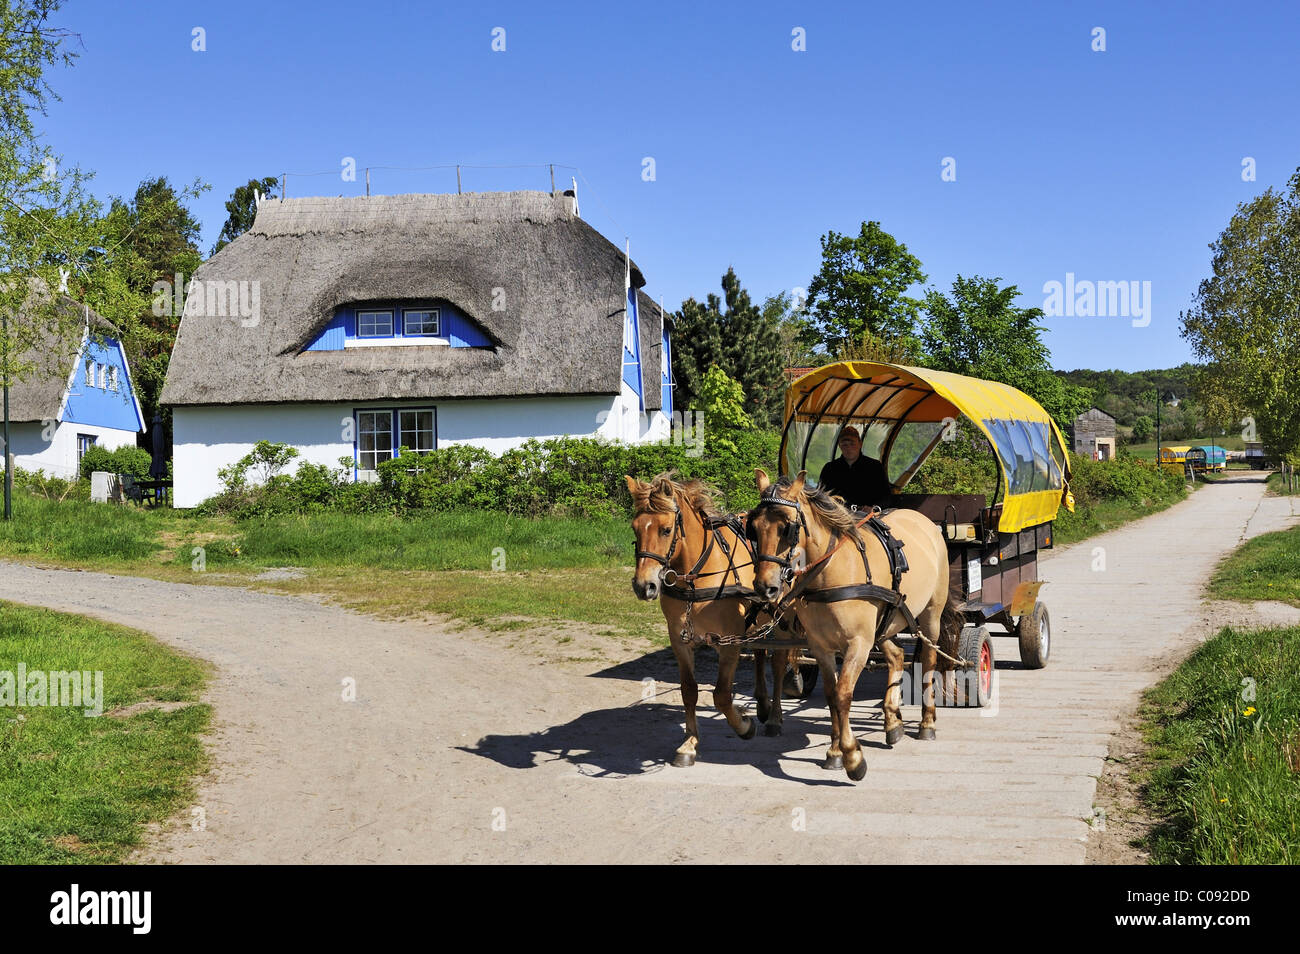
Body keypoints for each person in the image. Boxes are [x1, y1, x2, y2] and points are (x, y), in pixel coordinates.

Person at [817, 426, 893, 510]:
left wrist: (874, 508)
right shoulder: (830, 469)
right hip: (838, 516)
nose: (848, 448)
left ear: (860, 444)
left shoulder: (874, 467)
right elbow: (821, 496)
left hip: (869, 517)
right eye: (844, 444)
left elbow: (886, 496)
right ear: (839, 446)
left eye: (852, 444)